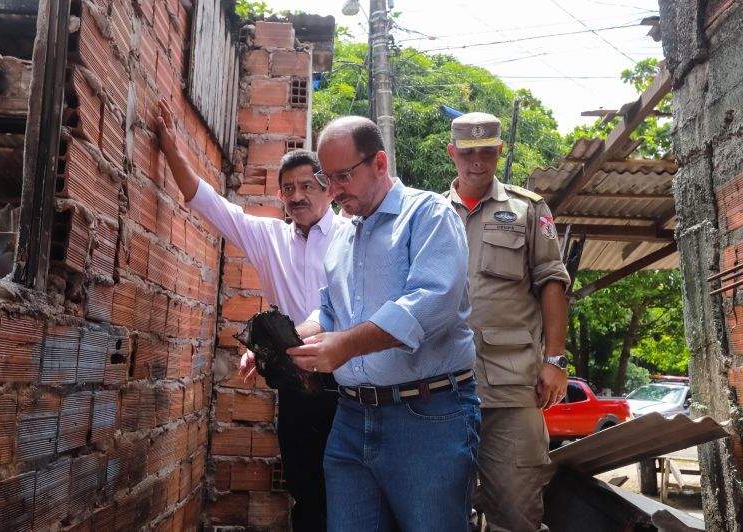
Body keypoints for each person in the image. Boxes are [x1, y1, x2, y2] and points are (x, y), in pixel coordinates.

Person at [156, 99, 343, 531]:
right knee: (304, 488)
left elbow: (341, 307)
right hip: (297, 384)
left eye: (307, 187)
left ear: (328, 189)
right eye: (288, 189)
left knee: (350, 488)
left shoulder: (353, 235)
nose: (296, 197)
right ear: (280, 196)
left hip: (349, 381)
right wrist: (172, 149)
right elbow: (210, 204)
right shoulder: (269, 238)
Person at [286, 115, 480, 532]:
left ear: (378, 163)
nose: (332, 190)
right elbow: (330, 313)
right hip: (352, 416)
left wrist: (347, 346)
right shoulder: (342, 235)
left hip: (427, 416)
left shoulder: (428, 215)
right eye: (327, 176)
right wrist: (284, 341)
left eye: (342, 176)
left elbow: (430, 303)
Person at [445, 112, 571, 532]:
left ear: (499, 152)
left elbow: (552, 282)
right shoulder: (429, 213)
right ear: (452, 154)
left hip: (511, 384)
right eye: (468, 152)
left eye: (486, 151)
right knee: (436, 509)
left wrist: (555, 360)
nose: (476, 161)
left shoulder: (528, 209)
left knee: (517, 510)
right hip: (439, 385)